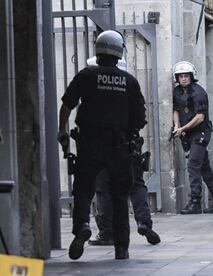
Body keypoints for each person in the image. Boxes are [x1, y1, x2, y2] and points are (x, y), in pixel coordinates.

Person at [57, 30, 146, 260]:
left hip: (89, 143)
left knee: (83, 189)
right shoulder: (129, 81)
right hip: (119, 146)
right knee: (119, 195)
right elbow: (139, 118)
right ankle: (122, 247)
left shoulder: (86, 75)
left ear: (98, 52)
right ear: (118, 54)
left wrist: (62, 131)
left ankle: (83, 225)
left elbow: (67, 104)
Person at [84, 57, 160, 246]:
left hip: (100, 145)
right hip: (129, 143)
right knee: (136, 184)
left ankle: (107, 231)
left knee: (103, 188)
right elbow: (141, 117)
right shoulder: (130, 84)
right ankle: (144, 222)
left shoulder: (93, 89)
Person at [172, 61, 213, 214]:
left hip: (200, 133)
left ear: (191, 76)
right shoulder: (176, 92)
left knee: (193, 165)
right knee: (205, 169)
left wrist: (182, 128)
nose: (183, 79)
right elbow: (176, 109)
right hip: (187, 134)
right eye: (180, 76)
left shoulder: (198, 93)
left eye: (186, 76)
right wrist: (177, 126)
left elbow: (200, 117)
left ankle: (195, 201)